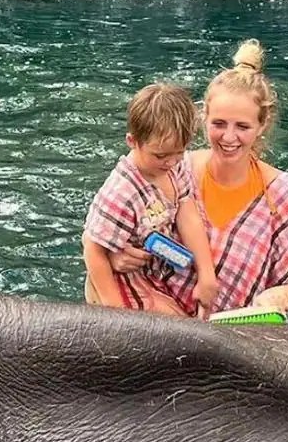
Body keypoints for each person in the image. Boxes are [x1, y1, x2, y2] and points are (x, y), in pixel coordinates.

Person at [110, 41, 288, 315]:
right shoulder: (174, 168)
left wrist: (278, 297)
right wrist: (117, 256)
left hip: (227, 339)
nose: (228, 137)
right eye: (219, 124)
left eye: (243, 126)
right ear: (205, 118)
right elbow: (107, 227)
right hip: (155, 323)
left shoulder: (279, 193)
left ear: (262, 125)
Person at [82, 82, 218, 317]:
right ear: (132, 141)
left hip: (155, 271)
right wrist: (116, 312)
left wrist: (206, 274)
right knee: (171, 328)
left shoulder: (176, 168)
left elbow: (188, 213)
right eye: (160, 155)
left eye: (179, 152)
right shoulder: (122, 192)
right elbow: (93, 250)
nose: (171, 162)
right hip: (121, 281)